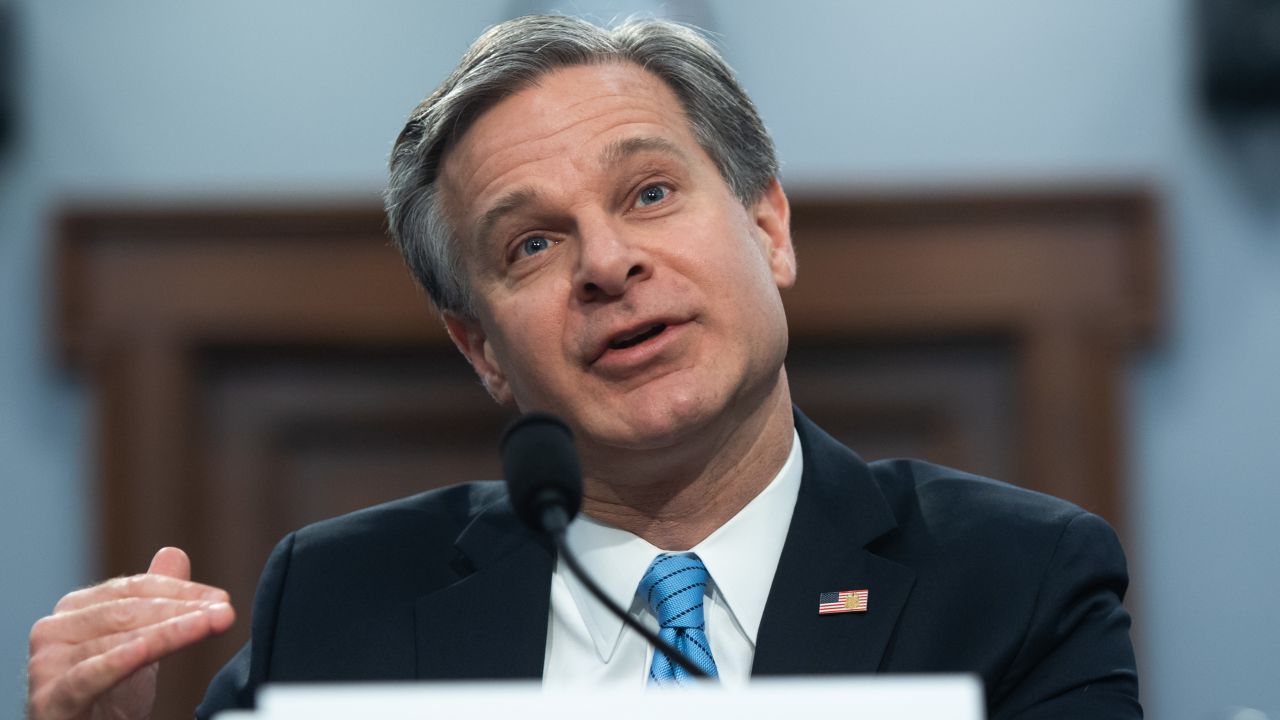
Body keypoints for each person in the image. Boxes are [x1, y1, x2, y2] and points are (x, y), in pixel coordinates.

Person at [26, 14, 1141, 720]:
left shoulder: (1013, 579)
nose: (607, 263)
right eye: (531, 245)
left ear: (767, 230)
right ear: (481, 352)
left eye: (649, 193)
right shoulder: (342, 600)